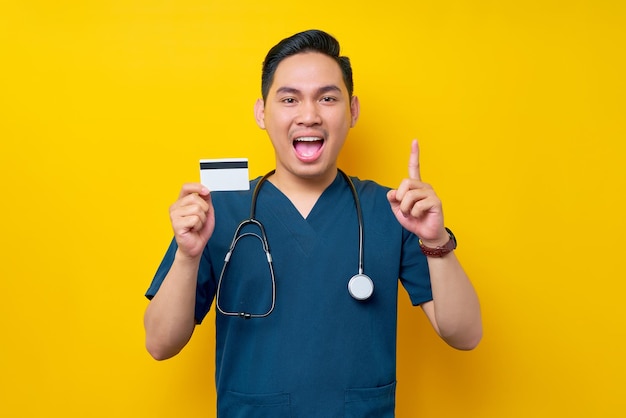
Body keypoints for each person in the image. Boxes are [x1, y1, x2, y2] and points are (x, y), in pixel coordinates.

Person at [144, 29, 482, 417]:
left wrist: (436, 241)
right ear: (261, 113)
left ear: (352, 111)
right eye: (289, 99)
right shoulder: (217, 211)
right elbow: (160, 344)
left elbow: (465, 334)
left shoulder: (394, 209)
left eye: (327, 98)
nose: (309, 115)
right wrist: (187, 257)